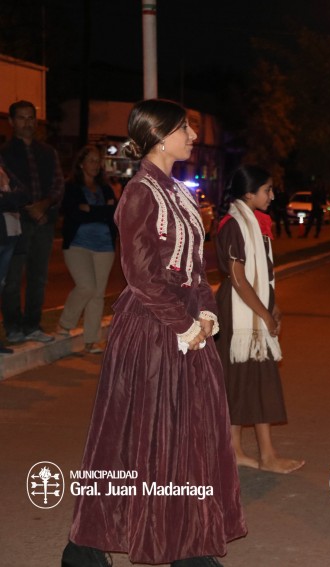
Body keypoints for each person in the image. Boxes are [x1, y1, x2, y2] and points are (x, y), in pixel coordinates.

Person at [62, 99, 246, 567]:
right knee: (137, 436)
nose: (192, 136)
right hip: (152, 327)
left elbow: (197, 268)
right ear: (160, 136)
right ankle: (87, 546)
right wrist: (184, 323)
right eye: (185, 129)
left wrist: (205, 314)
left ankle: (188, 542)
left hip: (186, 327)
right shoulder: (140, 193)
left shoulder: (179, 192)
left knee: (188, 434)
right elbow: (142, 276)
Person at [215, 165, 304, 474]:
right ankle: (264, 454)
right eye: (267, 189)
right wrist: (264, 313)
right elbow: (238, 278)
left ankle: (236, 449)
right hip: (239, 311)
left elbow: (262, 273)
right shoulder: (234, 225)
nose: (272, 195)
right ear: (249, 193)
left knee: (248, 378)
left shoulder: (256, 223)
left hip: (253, 305)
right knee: (251, 377)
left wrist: (273, 304)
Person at [0, 100, 64, 345]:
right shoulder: (4, 153)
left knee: (39, 277)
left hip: (44, 222)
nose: (27, 123)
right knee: (13, 279)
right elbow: (10, 187)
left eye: (31, 118)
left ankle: (32, 325)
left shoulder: (48, 152)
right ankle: (13, 326)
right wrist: (31, 208)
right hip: (16, 224)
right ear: (11, 121)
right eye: (22, 118)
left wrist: (44, 205)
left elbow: (58, 184)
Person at [56, 145, 118, 354]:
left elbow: (113, 214)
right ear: (81, 163)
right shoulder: (71, 187)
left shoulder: (106, 188)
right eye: (91, 160)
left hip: (105, 246)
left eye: (98, 161)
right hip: (78, 245)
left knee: (98, 294)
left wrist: (91, 209)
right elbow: (75, 214)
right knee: (86, 286)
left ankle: (91, 340)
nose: (95, 165)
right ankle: (65, 323)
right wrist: (100, 211)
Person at [0, 158, 26, 354]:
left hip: (8, 236)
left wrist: (6, 196)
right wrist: (8, 196)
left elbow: (23, 195)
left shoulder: (3, 164)